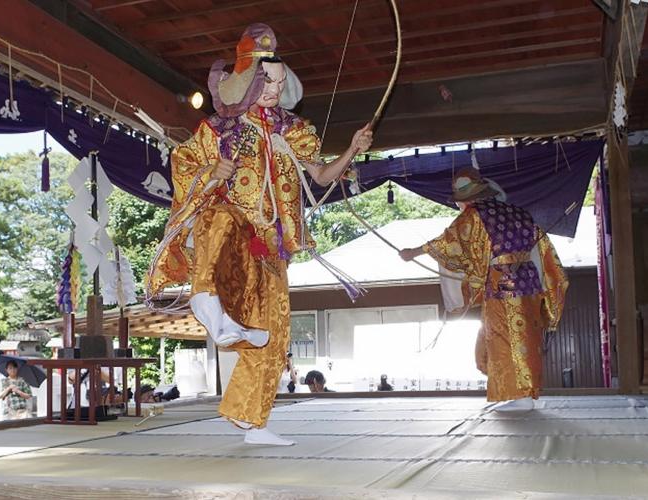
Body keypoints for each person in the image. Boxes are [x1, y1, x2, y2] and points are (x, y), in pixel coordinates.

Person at [147, 23, 371, 446]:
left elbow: (321, 174)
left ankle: (252, 421)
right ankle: (207, 300)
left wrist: (352, 149)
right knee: (222, 222)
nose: (274, 88)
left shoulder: (293, 129)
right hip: (231, 223)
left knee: (274, 330)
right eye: (266, 80)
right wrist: (213, 172)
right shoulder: (219, 129)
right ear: (247, 80)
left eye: (280, 81)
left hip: (271, 243)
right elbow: (184, 166)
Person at [399, 168, 568, 412]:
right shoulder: (518, 212)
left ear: (465, 199)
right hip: (529, 283)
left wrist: (411, 253)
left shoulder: (474, 216)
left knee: (503, 336)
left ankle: (517, 395)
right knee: (527, 337)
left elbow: (448, 243)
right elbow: (542, 251)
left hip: (501, 283)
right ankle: (527, 393)